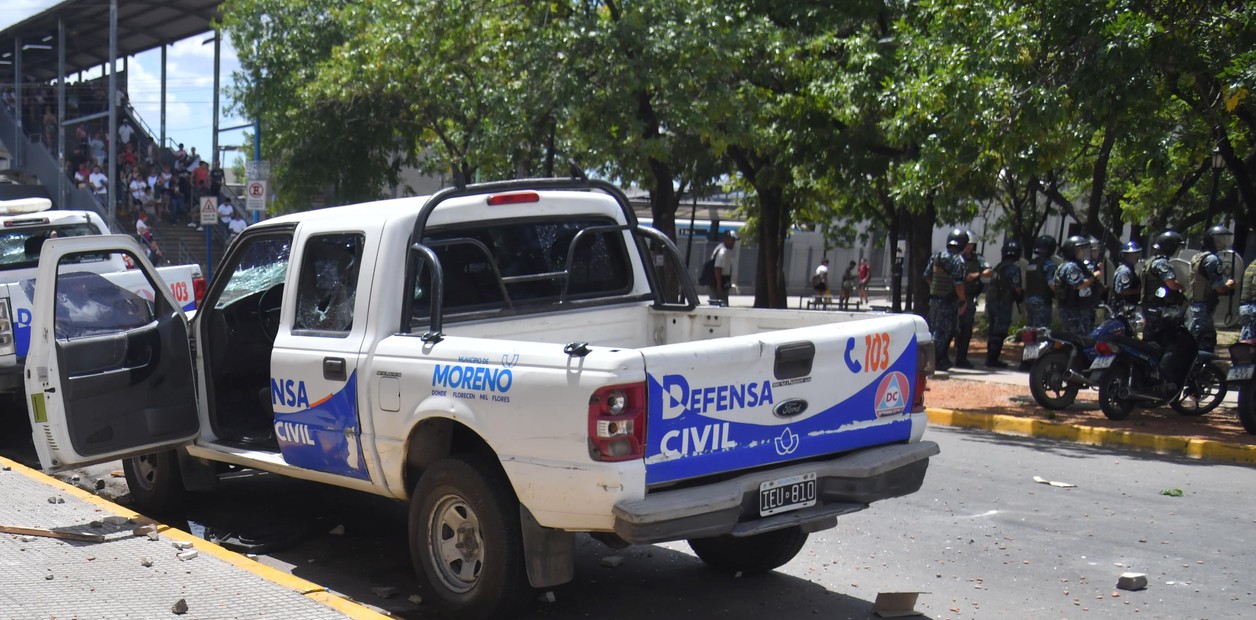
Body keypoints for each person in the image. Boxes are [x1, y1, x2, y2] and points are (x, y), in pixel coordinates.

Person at [1141, 230, 1190, 389]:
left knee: (1151, 345)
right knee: (1165, 346)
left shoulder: (1150, 262)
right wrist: (1182, 287)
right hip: (1161, 312)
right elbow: (1171, 284)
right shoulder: (1162, 263)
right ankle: (1162, 380)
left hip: (1150, 309)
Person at [923, 229, 968, 370]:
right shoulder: (958, 260)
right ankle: (934, 361)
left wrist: (935, 288)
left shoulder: (936, 257)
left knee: (933, 330)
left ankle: (935, 359)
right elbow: (958, 284)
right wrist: (963, 300)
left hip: (934, 300)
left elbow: (927, 276)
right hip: (948, 302)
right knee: (943, 332)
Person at [1187, 224, 1236, 352]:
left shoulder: (1199, 256)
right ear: (1211, 240)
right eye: (1219, 239)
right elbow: (1219, 288)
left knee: (1194, 338)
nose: (1223, 242)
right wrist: (1228, 285)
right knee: (1206, 340)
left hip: (1196, 304)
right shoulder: (1212, 259)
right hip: (1204, 306)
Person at [954, 230, 992, 368]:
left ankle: (961, 358)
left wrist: (976, 275)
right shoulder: (957, 258)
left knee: (966, 330)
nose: (968, 247)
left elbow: (989, 271)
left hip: (969, 299)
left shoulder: (978, 259)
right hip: (954, 298)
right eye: (967, 244)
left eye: (971, 244)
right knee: (951, 329)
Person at [984, 239, 1023, 368]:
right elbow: (1017, 288)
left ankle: (990, 357)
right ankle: (993, 359)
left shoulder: (998, 267)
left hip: (992, 302)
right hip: (1003, 303)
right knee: (1000, 331)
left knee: (992, 330)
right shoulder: (1014, 269)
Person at [1053, 235, 1096, 335]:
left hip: (1079, 308)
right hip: (1072, 310)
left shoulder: (1078, 264)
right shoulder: (1071, 266)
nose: (1083, 252)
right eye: (1080, 249)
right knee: (1076, 337)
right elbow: (1080, 285)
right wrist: (1093, 278)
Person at [1111, 241, 1143, 313]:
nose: (1137, 256)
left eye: (1138, 253)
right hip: (1123, 308)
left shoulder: (1131, 269)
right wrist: (1138, 290)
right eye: (1134, 254)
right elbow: (1121, 291)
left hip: (1130, 307)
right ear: (1126, 255)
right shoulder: (1124, 271)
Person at [707, 230, 737, 306]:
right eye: (732, 240)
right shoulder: (723, 251)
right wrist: (719, 286)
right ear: (726, 239)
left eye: (734, 240)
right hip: (718, 284)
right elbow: (717, 268)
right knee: (719, 306)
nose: (734, 243)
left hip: (722, 282)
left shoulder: (724, 249)